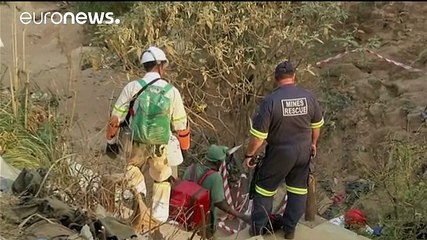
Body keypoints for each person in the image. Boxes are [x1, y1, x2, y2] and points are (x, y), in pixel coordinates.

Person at [105, 46, 189, 223]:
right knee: (162, 178)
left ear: (144, 66)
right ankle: (158, 219)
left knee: (132, 167)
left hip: (136, 141)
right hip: (160, 144)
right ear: (161, 66)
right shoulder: (172, 91)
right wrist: (184, 149)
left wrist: (110, 142)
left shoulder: (132, 87)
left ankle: (139, 195)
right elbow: (181, 125)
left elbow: (115, 119)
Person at [243, 61, 324, 239]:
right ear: (294, 77)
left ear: (275, 79)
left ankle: (257, 231)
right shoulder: (308, 97)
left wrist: (249, 155)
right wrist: (313, 144)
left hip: (279, 153)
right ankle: (289, 229)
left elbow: (258, 137)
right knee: (297, 190)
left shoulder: (270, 101)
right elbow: (316, 125)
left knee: (264, 190)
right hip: (303, 152)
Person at [182, 144, 251, 239]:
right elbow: (220, 203)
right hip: (203, 220)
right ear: (218, 162)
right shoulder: (214, 177)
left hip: (186, 213)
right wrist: (241, 215)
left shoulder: (191, 168)